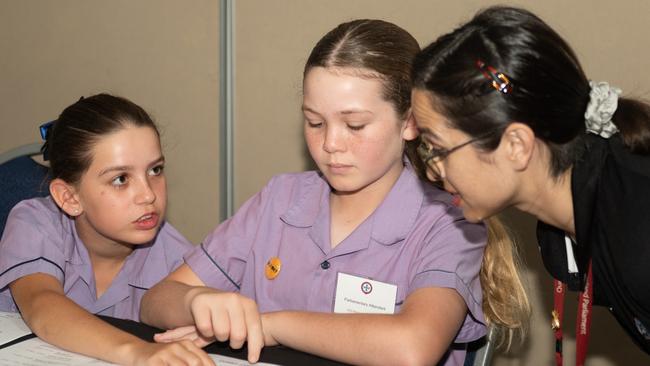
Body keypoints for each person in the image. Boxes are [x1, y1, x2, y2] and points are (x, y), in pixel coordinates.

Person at [141, 19, 529, 365]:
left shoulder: (448, 223)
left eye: (355, 126)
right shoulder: (280, 200)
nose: (330, 144)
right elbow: (154, 302)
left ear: (410, 121)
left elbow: (412, 349)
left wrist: (270, 325)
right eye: (314, 122)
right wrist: (196, 301)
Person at [410, 5, 650, 362]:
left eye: (439, 149)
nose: (432, 170)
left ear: (516, 146)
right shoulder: (569, 221)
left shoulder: (637, 232)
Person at [0, 94, 214, 365]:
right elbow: (42, 305)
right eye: (121, 179)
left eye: (155, 170)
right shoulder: (37, 223)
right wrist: (137, 351)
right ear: (69, 198)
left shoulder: (178, 260)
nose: (148, 195)